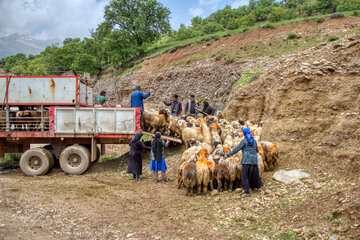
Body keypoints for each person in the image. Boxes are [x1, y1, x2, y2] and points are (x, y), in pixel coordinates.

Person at [224, 128, 261, 197]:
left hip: (246, 161)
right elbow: (257, 150)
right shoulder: (254, 141)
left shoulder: (244, 141)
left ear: (244, 134)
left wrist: (228, 155)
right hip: (254, 160)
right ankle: (255, 187)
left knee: (244, 176)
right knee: (253, 174)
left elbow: (237, 149)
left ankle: (246, 191)